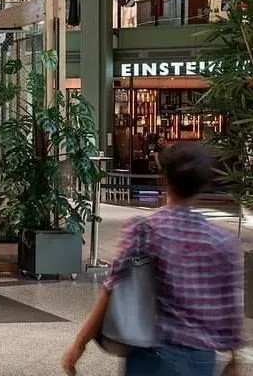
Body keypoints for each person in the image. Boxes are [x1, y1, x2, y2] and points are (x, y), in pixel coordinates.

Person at [61, 142, 244, 376]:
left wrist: (79, 344)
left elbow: (111, 290)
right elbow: (230, 308)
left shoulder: (146, 230)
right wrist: (235, 359)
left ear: (164, 180)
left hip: (152, 357)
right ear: (202, 185)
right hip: (201, 360)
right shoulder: (221, 241)